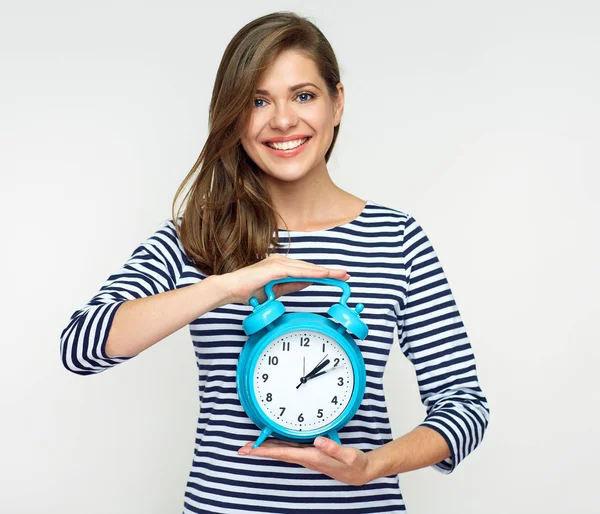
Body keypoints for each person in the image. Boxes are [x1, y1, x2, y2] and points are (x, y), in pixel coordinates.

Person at [60, 11, 490, 514]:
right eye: (258, 101)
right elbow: (82, 346)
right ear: (234, 115)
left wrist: (373, 466)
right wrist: (224, 286)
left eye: (303, 95)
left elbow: (464, 405)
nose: (282, 120)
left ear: (338, 102)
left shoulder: (397, 238)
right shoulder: (197, 238)